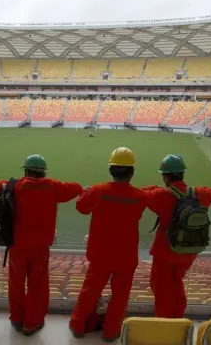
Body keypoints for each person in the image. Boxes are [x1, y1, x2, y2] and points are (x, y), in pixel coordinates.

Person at [0, 154, 83, 336]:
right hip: (40, 246)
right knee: (37, 285)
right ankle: (31, 323)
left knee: (16, 282)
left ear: (26, 170)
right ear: (43, 173)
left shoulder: (15, 185)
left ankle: (17, 318)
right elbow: (77, 188)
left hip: (16, 245)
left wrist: (12, 182)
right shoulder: (52, 186)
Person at [69, 147, 148, 343]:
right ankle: (111, 332)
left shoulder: (97, 191)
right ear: (132, 172)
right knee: (120, 296)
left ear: (111, 170)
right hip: (126, 256)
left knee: (90, 292)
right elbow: (141, 204)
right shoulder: (139, 196)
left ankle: (78, 325)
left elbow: (81, 208)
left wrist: (86, 193)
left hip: (100, 253)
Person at [142, 154, 211, 318]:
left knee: (161, 290)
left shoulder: (161, 195)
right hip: (189, 251)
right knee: (177, 283)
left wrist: (154, 187)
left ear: (166, 176)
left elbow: (142, 194)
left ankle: (165, 326)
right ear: (182, 174)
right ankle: (178, 318)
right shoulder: (198, 194)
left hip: (166, 251)